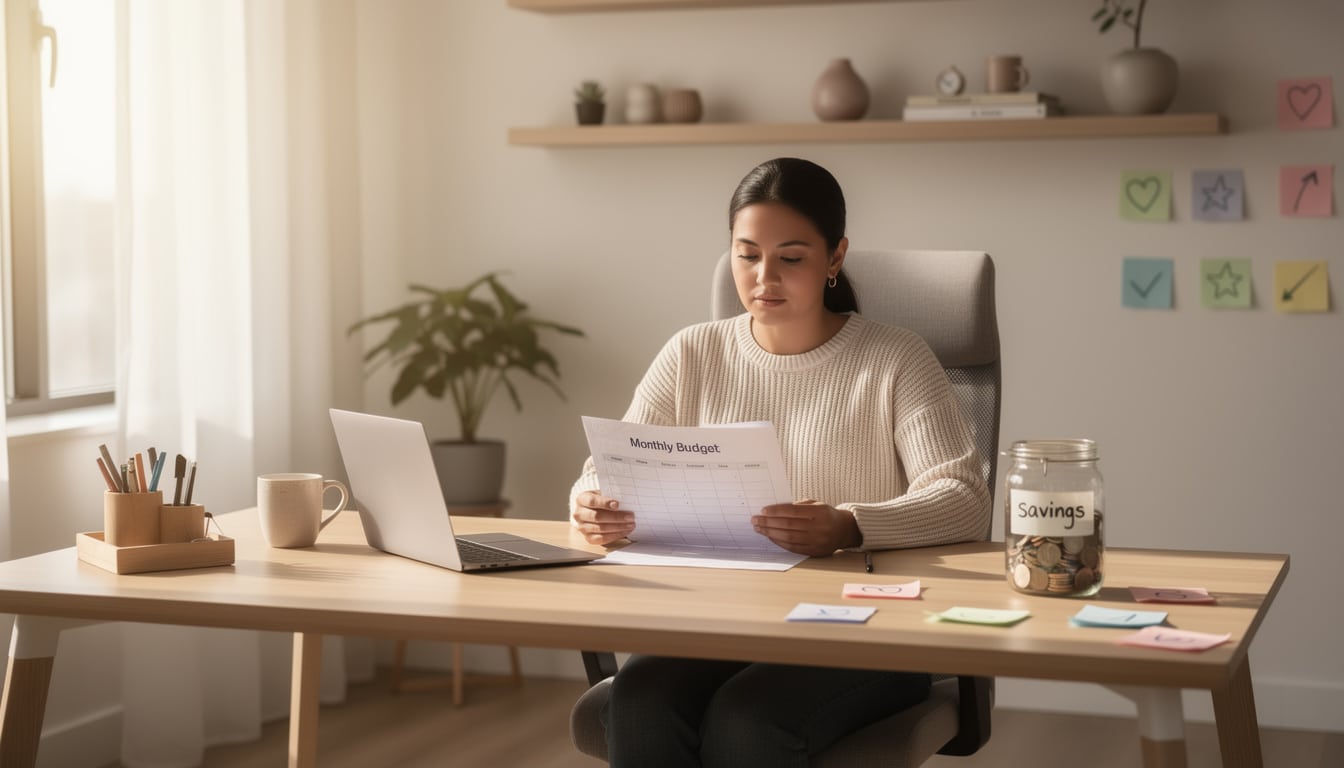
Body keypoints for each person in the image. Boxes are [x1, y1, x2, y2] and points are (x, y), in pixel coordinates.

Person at [568, 157, 991, 767]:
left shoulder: (897, 359)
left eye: (790, 257)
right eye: (747, 255)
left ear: (835, 257)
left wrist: (850, 525)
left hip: (864, 629)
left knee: (747, 721)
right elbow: (605, 468)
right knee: (638, 701)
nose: (763, 277)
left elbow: (964, 497)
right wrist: (591, 505)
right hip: (720, 621)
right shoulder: (692, 353)